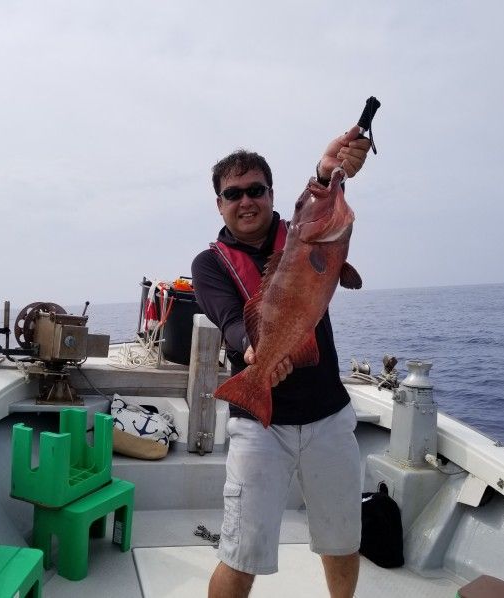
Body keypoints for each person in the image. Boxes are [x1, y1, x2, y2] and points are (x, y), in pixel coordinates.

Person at [191, 126, 371, 598]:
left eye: (256, 190)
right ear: (219, 203)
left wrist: (328, 174)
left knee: (341, 540)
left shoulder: (301, 237)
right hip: (258, 426)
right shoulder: (209, 264)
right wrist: (255, 356)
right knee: (240, 553)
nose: (245, 200)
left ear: (271, 194)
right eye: (233, 193)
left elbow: (318, 206)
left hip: (327, 416)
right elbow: (230, 319)